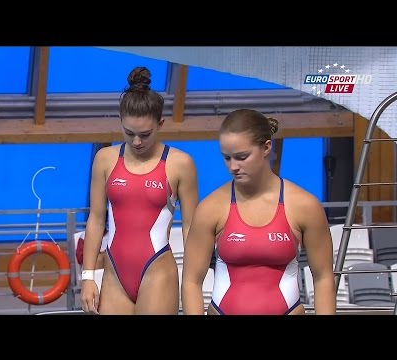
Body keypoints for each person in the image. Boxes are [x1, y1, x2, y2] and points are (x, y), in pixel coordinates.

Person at [181, 109, 336, 315]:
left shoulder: (304, 206)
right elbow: (191, 281)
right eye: (227, 158)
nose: (233, 167)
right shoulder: (211, 208)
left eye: (242, 157)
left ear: (266, 148)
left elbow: (323, 277)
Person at [81, 66, 199, 314]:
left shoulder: (180, 164)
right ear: (120, 123)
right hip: (114, 274)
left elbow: (191, 228)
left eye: (145, 135)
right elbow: (95, 219)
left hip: (158, 273)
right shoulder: (105, 159)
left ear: (161, 124)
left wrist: (193, 282)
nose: (136, 142)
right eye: (129, 133)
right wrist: (88, 276)